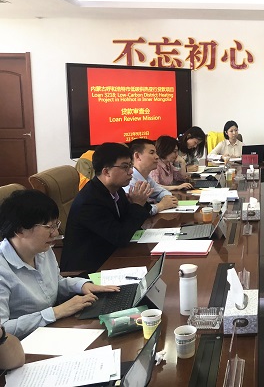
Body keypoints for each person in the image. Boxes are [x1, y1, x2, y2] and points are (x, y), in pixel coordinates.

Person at [1, 190, 119, 338]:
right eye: (49, 227)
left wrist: (82, 285)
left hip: (54, 329)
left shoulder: (43, 249)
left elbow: (55, 283)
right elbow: (3, 329)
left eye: (56, 225)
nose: (55, 233)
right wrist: (57, 312)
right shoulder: (3, 269)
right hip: (24, 344)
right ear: (20, 230)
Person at [61, 142, 153, 273]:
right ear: (106, 171)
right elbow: (120, 237)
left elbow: (129, 224)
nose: (131, 171)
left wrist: (138, 202)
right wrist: (137, 205)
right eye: (125, 167)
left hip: (112, 256)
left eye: (130, 166)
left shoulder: (115, 190)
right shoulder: (90, 201)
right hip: (87, 270)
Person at [125, 138, 178, 215]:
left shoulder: (146, 177)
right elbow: (137, 211)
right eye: (152, 153)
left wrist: (167, 199)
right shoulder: (129, 181)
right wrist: (161, 205)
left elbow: (162, 191)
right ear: (137, 156)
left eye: (156, 153)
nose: (157, 157)